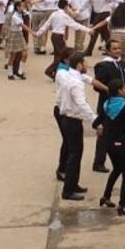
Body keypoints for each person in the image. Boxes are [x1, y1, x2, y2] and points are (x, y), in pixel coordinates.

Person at [92, 79, 125, 215]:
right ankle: (122, 205)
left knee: (116, 169)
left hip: (109, 145)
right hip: (123, 145)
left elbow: (95, 123)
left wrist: (99, 127)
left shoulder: (106, 105)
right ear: (119, 91)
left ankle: (106, 196)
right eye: (124, 88)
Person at [55, 51, 95, 201]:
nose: (87, 65)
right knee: (75, 155)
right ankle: (68, 190)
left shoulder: (68, 77)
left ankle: (73, 183)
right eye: (85, 63)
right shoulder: (76, 82)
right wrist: (94, 119)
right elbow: (81, 104)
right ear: (79, 65)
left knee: (75, 153)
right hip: (73, 120)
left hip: (67, 117)